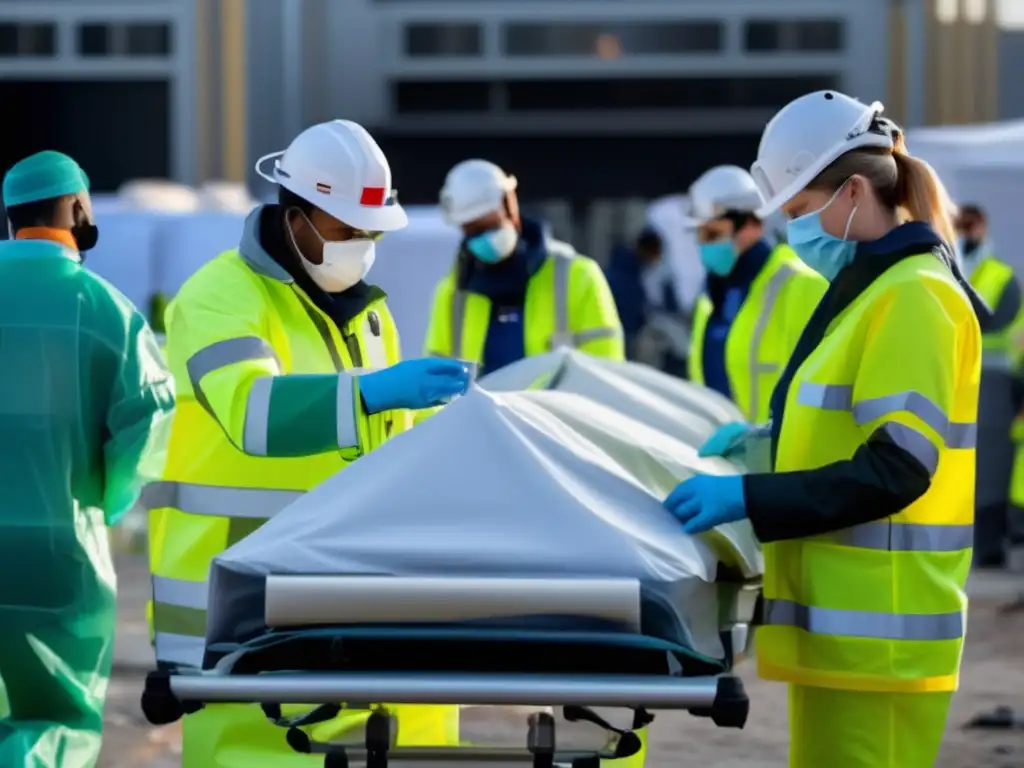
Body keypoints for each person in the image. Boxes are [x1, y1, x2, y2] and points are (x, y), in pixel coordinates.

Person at [664, 92, 987, 767]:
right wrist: (765, 447)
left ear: (852, 192)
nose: (792, 231)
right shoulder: (872, 292)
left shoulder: (914, 297)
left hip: (883, 641)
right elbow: (849, 429)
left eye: (799, 211)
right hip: (846, 637)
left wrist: (750, 501)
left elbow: (897, 469)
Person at [143, 120, 470, 766]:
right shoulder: (219, 297)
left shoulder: (370, 315)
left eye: (371, 234)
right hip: (236, 620)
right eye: (348, 231)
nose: (363, 248)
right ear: (297, 219)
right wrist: (372, 392)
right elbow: (252, 415)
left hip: (340, 611)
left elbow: (384, 457)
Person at [0, 150, 175, 766]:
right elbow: (149, 417)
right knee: (56, 717)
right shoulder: (108, 310)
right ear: (77, 209)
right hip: (62, 555)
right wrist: (107, 494)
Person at [425, 159, 624, 376]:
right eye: (472, 230)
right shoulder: (452, 295)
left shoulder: (578, 278)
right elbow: (434, 390)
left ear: (510, 204)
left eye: (488, 226)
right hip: (481, 412)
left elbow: (606, 376)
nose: (481, 239)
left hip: (554, 412)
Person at [685, 165, 827, 430]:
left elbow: (818, 391)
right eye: (700, 235)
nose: (703, 244)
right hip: (721, 455)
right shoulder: (710, 297)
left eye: (713, 234)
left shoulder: (801, 285)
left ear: (751, 225)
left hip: (779, 461)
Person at [956, 204, 1024, 567]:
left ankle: (990, 548)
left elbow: (990, 323)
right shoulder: (947, 267)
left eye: (967, 227)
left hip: (995, 385)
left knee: (991, 472)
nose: (962, 234)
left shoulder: (998, 276)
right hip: (962, 381)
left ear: (981, 227)